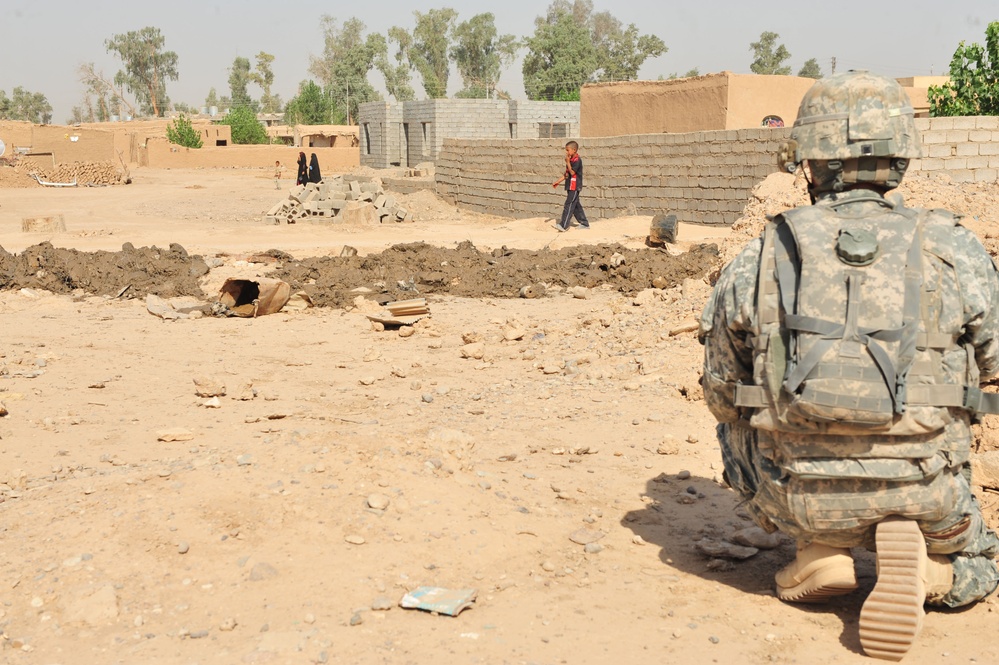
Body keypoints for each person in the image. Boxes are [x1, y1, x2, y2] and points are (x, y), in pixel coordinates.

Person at [699, 70, 999, 661]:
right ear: (900, 158)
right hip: (928, 487)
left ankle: (818, 550)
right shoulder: (954, 246)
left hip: (795, 490)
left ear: (810, 159)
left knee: (736, 408)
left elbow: (720, 390)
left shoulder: (763, 252)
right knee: (981, 561)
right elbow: (991, 365)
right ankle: (935, 572)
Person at [551, 140, 589, 231]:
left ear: (574, 150)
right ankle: (584, 223)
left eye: (568, 150)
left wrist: (567, 162)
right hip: (570, 185)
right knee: (576, 205)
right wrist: (558, 181)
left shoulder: (577, 160)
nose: (566, 152)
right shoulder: (571, 159)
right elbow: (567, 174)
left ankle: (564, 225)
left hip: (575, 186)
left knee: (569, 204)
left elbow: (572, 172)